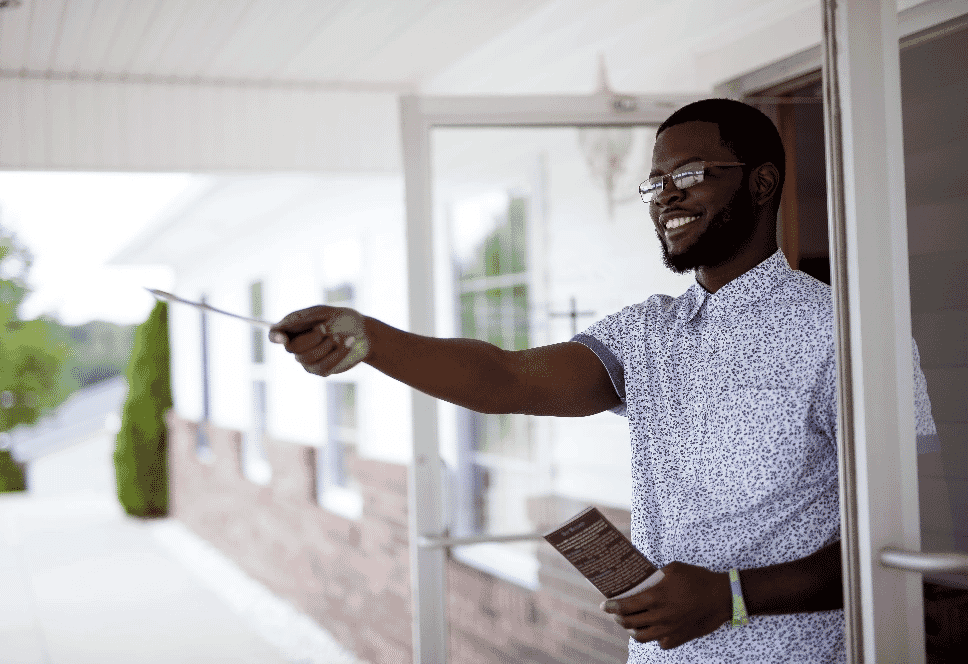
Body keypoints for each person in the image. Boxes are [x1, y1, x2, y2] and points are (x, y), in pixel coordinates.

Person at [268, 99, 936, 663]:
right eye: (655, 181)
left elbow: (909, 538)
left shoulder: (847, 334)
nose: (666, 194)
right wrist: (372, 340)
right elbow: (506, 379)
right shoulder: (647, 333)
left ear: (762, 185)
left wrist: (734, 594)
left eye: (692, 173)